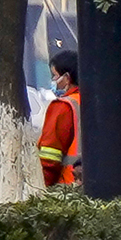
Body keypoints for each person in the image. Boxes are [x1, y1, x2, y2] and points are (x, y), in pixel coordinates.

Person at [38, 47, 82, 191]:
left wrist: (42, 188)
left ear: (67, 78)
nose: (53, 81)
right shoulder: (94, 101)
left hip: (67, 188)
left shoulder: (62, 107)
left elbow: (49, 156)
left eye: (55, 76)